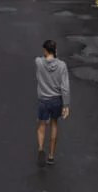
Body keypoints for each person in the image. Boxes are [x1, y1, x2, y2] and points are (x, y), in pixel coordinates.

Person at [35, 39, 70, 167]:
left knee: (42, 125)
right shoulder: (62, 66)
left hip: (43, 99)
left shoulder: (38, 62)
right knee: (54, 124)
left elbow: (42, 58)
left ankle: (40, 149)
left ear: (45, 51)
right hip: (56, 100)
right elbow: (65, 87)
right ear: (55, 51)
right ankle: (51, 156)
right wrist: (66, 105)